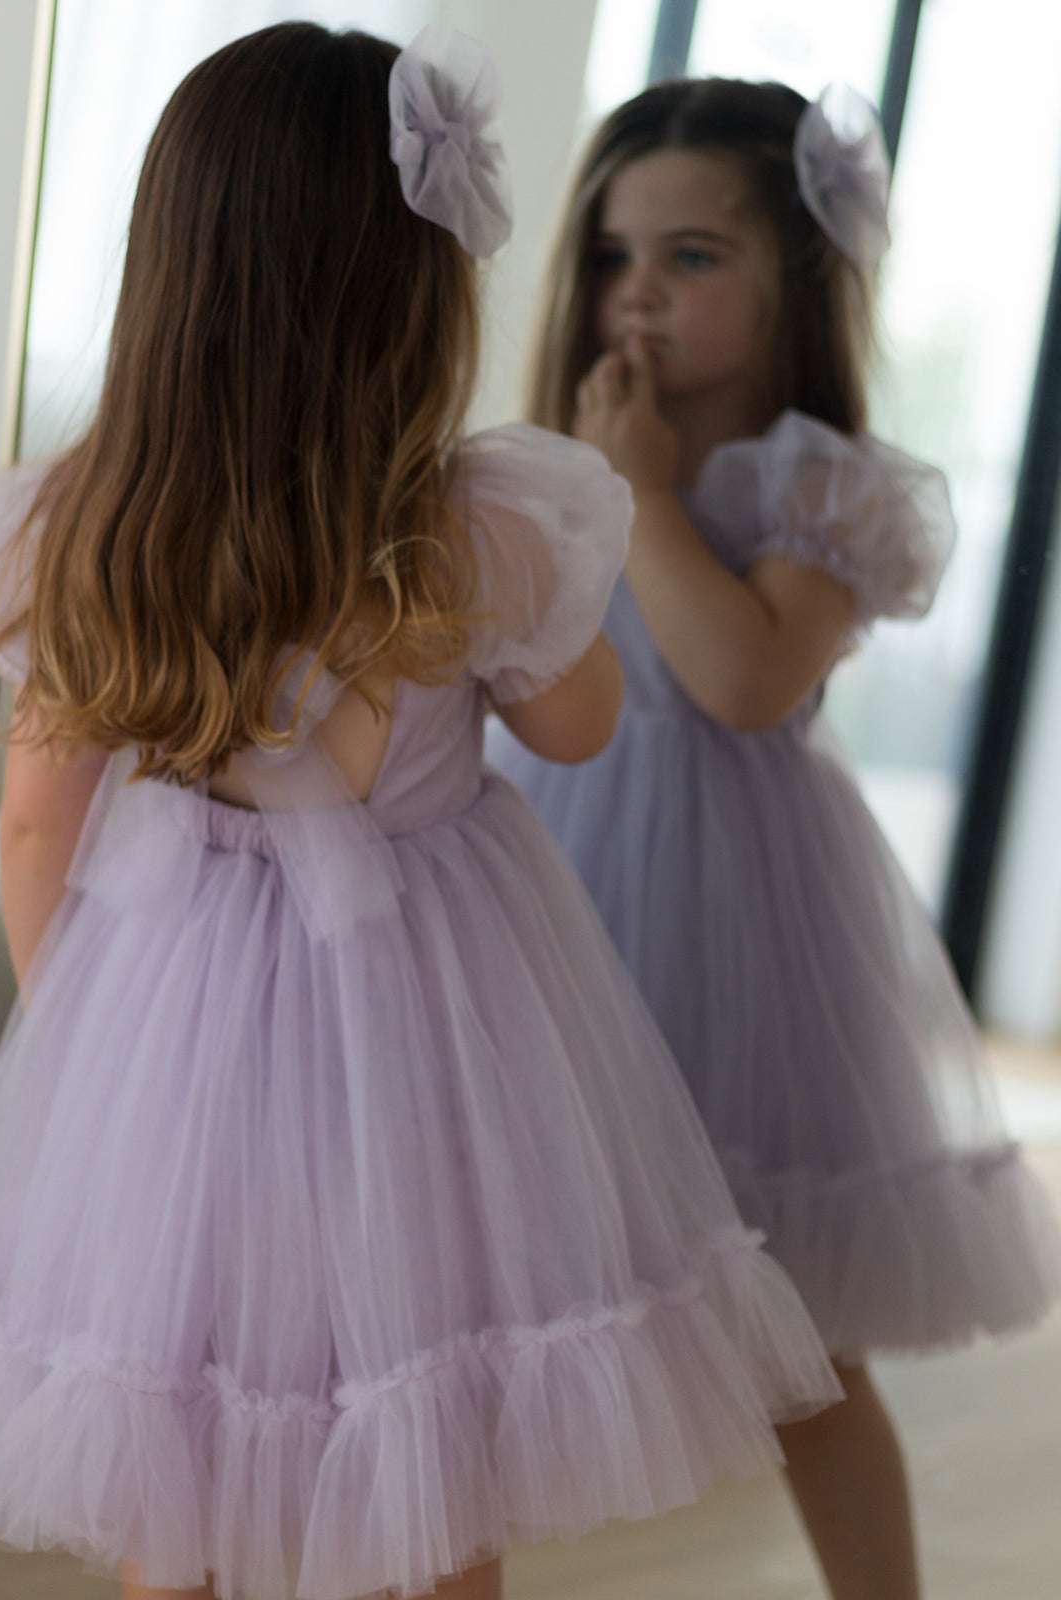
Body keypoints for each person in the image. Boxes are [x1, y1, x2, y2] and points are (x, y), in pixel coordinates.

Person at [0, 30, 844, 1600]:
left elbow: (39, 828)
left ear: (170, 269)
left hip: (168, 1052)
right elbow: (582, 727)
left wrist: (91, 1060)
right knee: (432, 1424)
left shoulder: (81, 529)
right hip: (432, 1047)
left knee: (173, 1447)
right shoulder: (483, 532)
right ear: (420, 294)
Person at [489, 76, 1061, 1600]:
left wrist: (646, 497)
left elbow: (741, 680)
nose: (638, 296)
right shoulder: (551, 463)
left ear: (796, 276)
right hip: (559, 886)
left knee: (804, 1339)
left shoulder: (819, 486)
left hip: (748, 923)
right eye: (614, 257)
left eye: (693, 256)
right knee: (503, 1278)